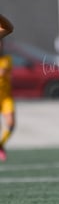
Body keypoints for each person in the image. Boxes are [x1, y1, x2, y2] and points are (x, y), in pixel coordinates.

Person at [0, 14, 15, 162]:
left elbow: (8, 28)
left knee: (11, 124)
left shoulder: (6, 60)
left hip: (5, 97)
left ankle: (0, 145)